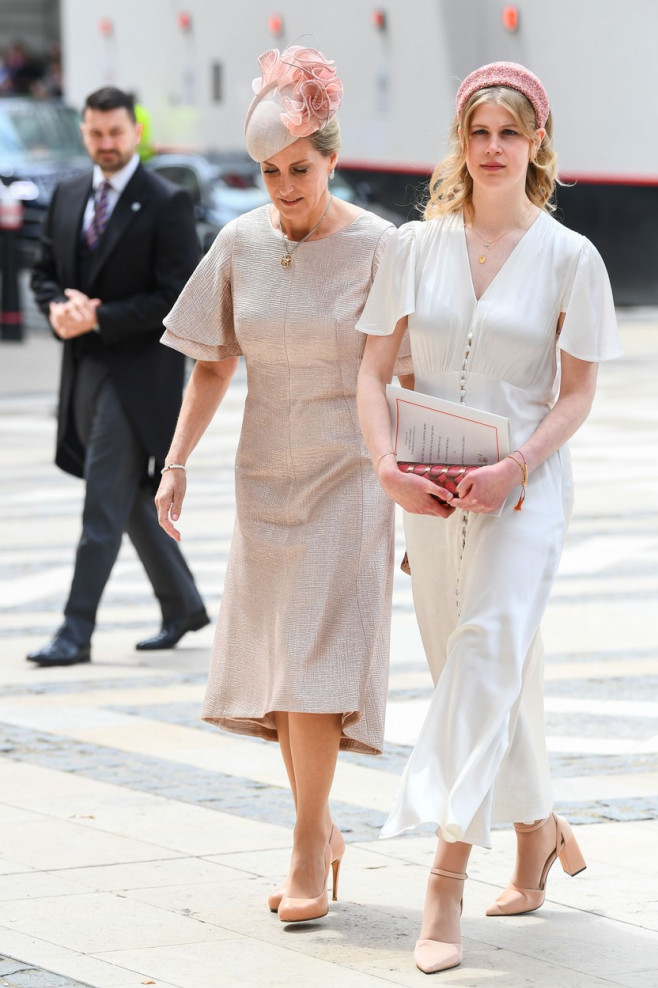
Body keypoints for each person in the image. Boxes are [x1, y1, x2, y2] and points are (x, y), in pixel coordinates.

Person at [356, 62, 621, 973]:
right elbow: (370, 371)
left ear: (538, 141)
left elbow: (578, 393)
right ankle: (540, 829)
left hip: (527, 491)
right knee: (486, 666)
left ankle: (442, 881)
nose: (494, 148)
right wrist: (387, 467)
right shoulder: (413, 246)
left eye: (511, 132)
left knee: (483, 655)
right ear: (460, 145)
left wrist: (516, 465)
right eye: (480, 133)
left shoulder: (571, 257)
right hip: (429, 490)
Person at [154, 45, 411, 924]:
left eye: (299, 169)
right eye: (269, 172)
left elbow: (406, 379)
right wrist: (176, 461)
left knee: (311, 669)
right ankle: (322, 829)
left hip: (352, 478)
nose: (284, 188)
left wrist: (420, 500)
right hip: (264, 481)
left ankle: (306, 846)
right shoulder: (239, 243)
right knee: (281, 675)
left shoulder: (383, 247)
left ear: (332, 159)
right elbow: (211, 366)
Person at [28, 86, 209, 667]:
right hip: (82, 371)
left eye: (116, 133)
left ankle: (74, 632)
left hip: (138, 378)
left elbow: (176, 297)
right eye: (95, 133)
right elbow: (44, 273)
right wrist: (58, 308)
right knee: (129, 496)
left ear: (136, 133)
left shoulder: (166, 201)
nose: (106, 144)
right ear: (84, 132)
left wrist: (97, 316)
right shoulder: (69, 193)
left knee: (102, 503)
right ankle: (182, 606)